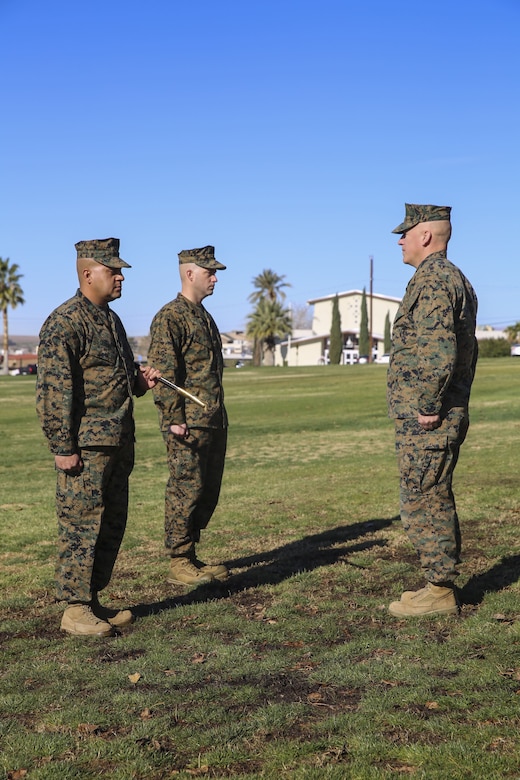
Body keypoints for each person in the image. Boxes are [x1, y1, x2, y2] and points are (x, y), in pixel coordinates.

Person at [36, 238, 160, 637]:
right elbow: (55, 391)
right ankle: (74, 610)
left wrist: (139, 383)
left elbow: (114, 379)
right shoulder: (65, 322)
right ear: (89, 274)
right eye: (113, 271)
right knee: (81, 525)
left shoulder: (110, 319)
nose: (121, 277)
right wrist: (62, 447)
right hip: (86, 448)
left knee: (110, 523)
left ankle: (91, 600)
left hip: (118, 441)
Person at [386, 204, 478, 617]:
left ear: (426, 235)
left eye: (406, 233)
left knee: (426, 496)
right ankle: (435, 583)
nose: (400, 240)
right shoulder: (452, 278)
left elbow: (439, 351)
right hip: (437, 411)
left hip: (429, 416)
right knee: (427, 491)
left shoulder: (434, 281)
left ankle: (440, 590)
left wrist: (428, 405)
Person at [148, 245, 229, 587]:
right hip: (187, 423)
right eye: (209, 272)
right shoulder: (171, 316)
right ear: (190, 273)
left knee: (206, 489)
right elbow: (164, 373)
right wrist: (174, 417)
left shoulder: (204, 316)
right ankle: (179, 559)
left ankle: (191, 553)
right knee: (186, 487)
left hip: (211, 418)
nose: (214, 278)